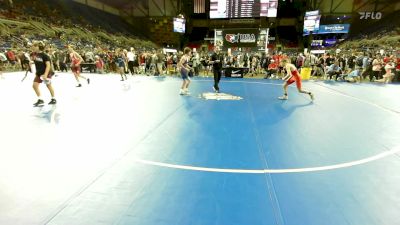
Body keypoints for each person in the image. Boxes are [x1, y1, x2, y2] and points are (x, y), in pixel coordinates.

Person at [31, 41, 56, 106]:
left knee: (48, 85)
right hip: (39, 73)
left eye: (34, 46)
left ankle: (53, 99)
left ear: (38, 47)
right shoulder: (35, 55)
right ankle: (40, 99)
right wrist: (32, 63)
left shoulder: (45, 56)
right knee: (34, 85)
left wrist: (45, 74)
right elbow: (38, 63)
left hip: (46, 73)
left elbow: (48, 65)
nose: (33, 47)